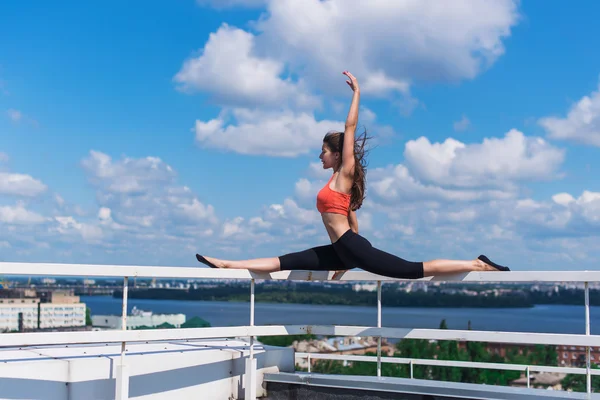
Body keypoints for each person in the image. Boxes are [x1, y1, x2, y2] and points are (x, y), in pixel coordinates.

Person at [196, 71, 509, 279]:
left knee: (413, 269)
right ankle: (226, 263)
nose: (319, 155)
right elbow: (349, 217)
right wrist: (345, 263)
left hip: (350, 247)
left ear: (336, 154)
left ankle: (476, 263)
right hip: (344, 249)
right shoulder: (335, 184)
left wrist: (357, 92)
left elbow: (350, 129)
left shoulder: (345, 173)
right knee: (284, 261)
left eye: (323, 151)